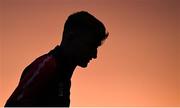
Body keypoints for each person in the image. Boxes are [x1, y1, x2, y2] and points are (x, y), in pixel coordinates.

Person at [5, 11, 109, 107]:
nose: (95, 55)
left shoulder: (63, 76)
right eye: (91, 45)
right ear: (71, 37)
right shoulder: (48, 66)